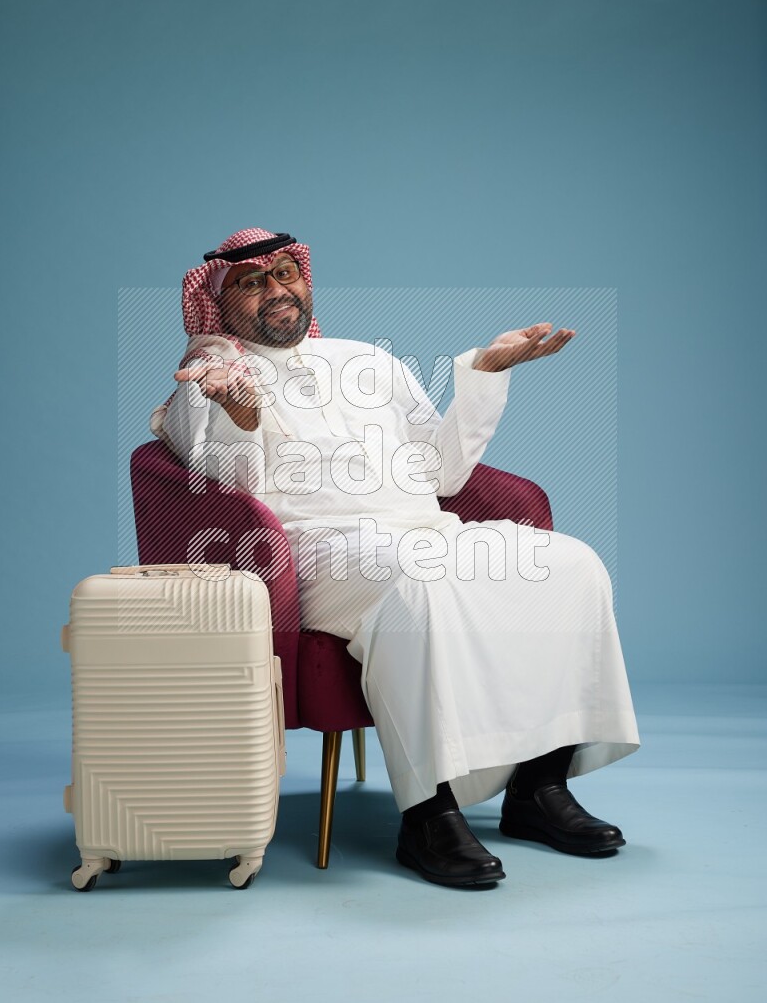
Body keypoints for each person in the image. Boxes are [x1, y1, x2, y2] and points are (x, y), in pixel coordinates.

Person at [150, 226, 640, 889]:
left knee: (569, 565)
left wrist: (484, 375)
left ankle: (538, 788)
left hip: (421, 529)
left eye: (285, 274)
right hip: (312, 554)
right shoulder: (205, 378)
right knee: (419, 587)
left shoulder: (367, 362)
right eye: (251, 281)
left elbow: (442, 472)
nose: (276, 290)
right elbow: (221, 488)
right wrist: (239, 412)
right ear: (219, 299)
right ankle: (428, 814)